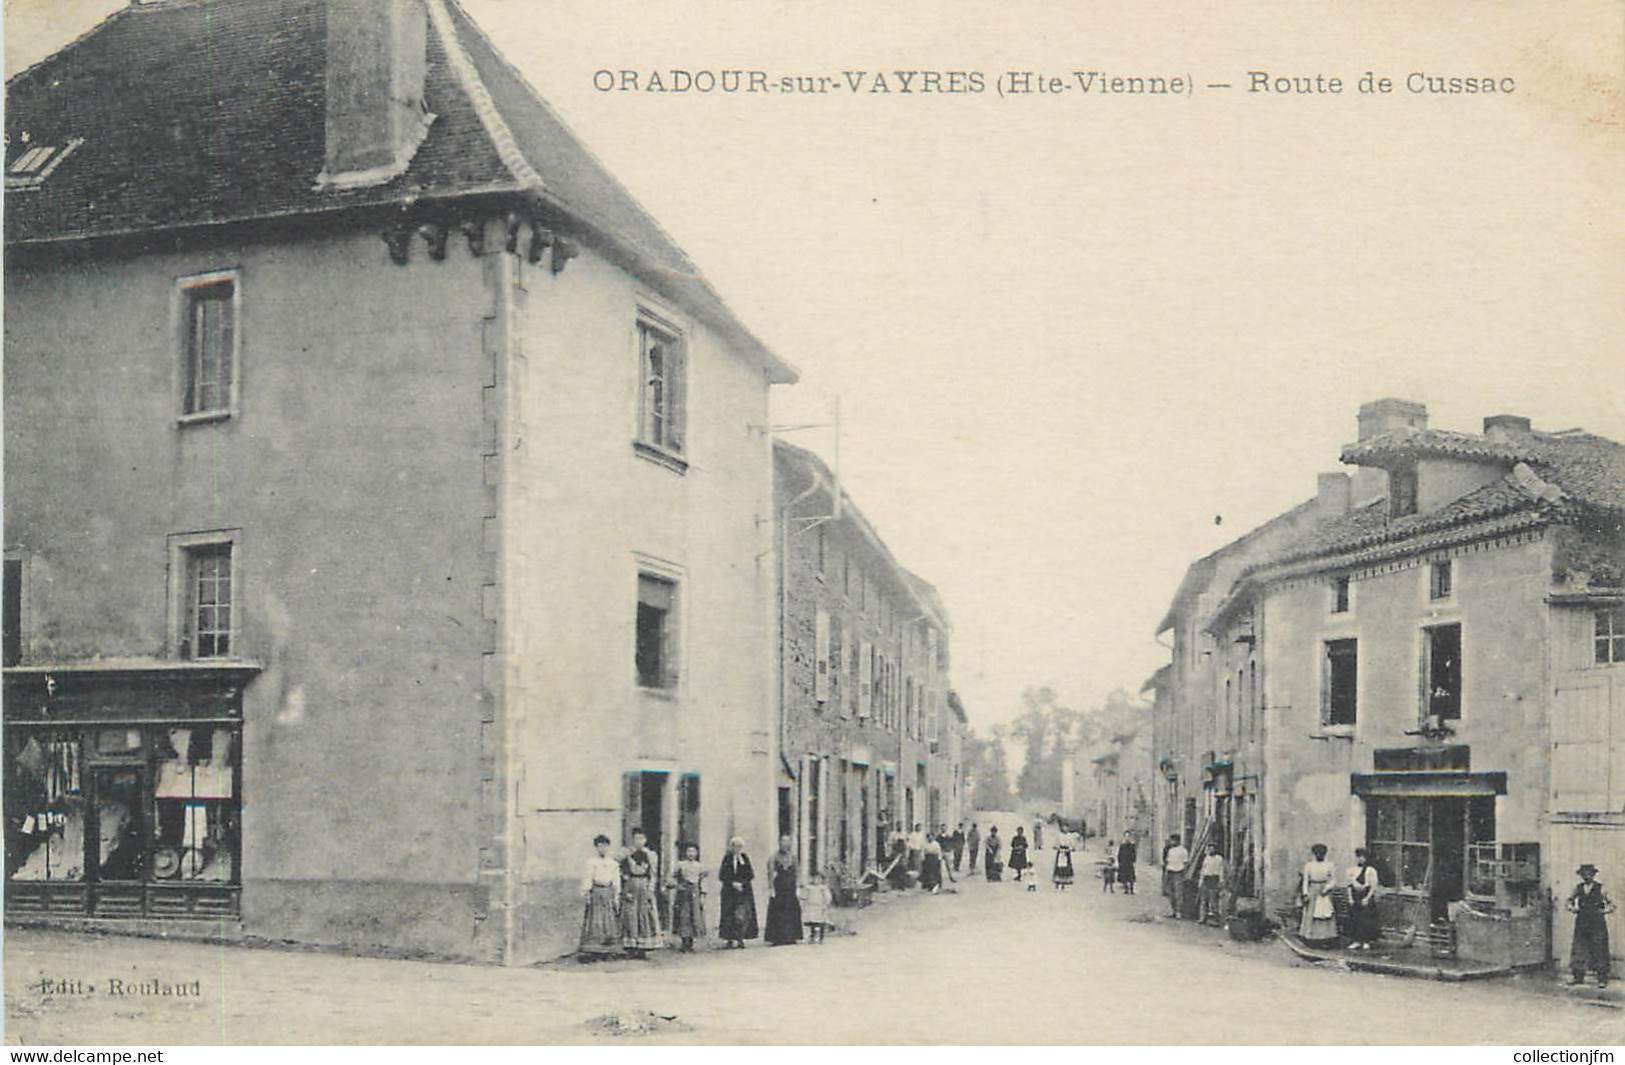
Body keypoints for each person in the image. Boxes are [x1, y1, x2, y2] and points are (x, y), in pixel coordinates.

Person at [1568, 863, 1616, 988]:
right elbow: (1569, 901)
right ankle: (1578, 977)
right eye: (1584, 874)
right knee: (1579, 948)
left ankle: (1602, 979)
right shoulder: (1578, 888)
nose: (1587, 876)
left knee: (1599, 948)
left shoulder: (1601, 888)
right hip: (1582, 922)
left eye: (1589, 873)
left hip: (1597, 922)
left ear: (1593, 874)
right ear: (1581, 875)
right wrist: (1572, 908)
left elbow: (1612, 905)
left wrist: (1604, 911)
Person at [619, 828, 662, 958]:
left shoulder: (651, 855)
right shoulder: (626, 852)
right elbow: (616, 865)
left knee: (644, 915)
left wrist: (650, 889)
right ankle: (631, 947)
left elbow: (654, 874)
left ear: (645, 840)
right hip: (631, 885)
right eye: (636, 838)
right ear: (633, 839)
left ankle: (643, 948)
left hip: (644, 885)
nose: (639, 841)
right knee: (630, 914)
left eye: (642, 839)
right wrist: (624, 880)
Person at [578, 833, 622, 960]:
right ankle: (594, 950)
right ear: (596, 847)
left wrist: (616, 895)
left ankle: (608, 950)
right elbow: (588, 878)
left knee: (609, 921)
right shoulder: (591, 862)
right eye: (600, 846)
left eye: (605, 846)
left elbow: (616, 880)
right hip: (596, 892)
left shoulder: (613, 864)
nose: (602, 848)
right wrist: (586, 893)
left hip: (608, 892)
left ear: (608, 847)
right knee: (596, 921)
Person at [718, 836, 759, 948]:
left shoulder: (744, 858)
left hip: (743, 891)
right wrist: (732, 883)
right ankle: (729, 939)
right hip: (729, 891)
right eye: (735, 846)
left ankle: (740, 938)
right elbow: (722, 874)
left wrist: (741, 883)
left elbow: (750, 874)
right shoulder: (727, 858)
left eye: (739, 846)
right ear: (731, 847)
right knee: (729, 915)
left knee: (742, 916)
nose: (737, 849)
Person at [668, 842, 707, 953]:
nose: (691, 854)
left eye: (693, 851)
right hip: (683, 893)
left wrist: (703, 894)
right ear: (685, 853)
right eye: (689, 851)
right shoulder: (680, 865)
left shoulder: (699, 866)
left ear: (697, 853)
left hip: (695, 893)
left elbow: (703, 881)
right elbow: (671, 877)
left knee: (694, 916)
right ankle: (684, 941)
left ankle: (691, 942)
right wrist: (676, 885)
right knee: (683, 916)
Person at [764, 835, 803, 945]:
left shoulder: (793, 858)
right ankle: (777, 938)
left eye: (787, 842)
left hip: (790, 888)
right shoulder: (774, 857)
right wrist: (771, 887)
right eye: (783, 842)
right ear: (779, 843)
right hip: (779, 888)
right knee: (777, 912)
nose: (785, 844)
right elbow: (770, 873)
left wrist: (798, 887)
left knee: (791, 911)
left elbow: (797, 872)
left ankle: (791, 936)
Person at [1299, 843, 1338, 945]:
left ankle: (1326, 937)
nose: (1320, 855)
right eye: (1318, 853)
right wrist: (1305, 893)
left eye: (1322, 853)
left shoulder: (1329, 865)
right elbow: (1305, 880)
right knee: (1312, 912)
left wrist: (1327, 888)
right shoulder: (1309, 865)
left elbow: (1333, 880)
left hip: (1324, 891)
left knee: (1325, 913)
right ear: (1314, 854)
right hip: (1313, 890)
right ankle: (1311, 937)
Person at [1346, 848, 1381, 951]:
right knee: (1355, 919)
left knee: (1366, 920)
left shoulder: (1370, 870)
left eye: (1363, 857)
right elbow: (1349, 886)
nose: (1360, 859)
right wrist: (1350, 898)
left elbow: (1373, 886)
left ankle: (1366, 941)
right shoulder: (1352, 870)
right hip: (1355, 896)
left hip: (1365, 896)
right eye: (1358, 857)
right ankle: (1356, 941)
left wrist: (1367, 898)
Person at [1198, 843, 1226, 926]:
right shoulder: (1206, 859)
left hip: (1214, 879)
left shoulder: (1219, 859)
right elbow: (1203, 870)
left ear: (1215, 850)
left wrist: (1221, 880)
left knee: (1213, 900)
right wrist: (1201, 881)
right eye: (1209, 849)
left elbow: (1221, 870)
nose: (1210, 850)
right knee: (1204, 900)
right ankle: (1202, 918)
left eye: (1212, 849)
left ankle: (1215, 920)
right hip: (1206, 879)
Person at [801, 871, 833, 944]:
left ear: (821, 880)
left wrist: (826, 904)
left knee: (821, 922)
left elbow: (828, 897)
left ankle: (821, 938)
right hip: (811, 906)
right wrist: (805, 900)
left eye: (818, 879)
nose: (816, 881)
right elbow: (804, 896)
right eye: (814, 879)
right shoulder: (809, 887)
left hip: (820, 906)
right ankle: (812, 936)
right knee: (812, 922)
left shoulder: (823, 888)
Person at [1163, 834, 1190, 918]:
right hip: (1170, 872)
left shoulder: (1183, 850)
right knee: (1171, 893)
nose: (1172, 842)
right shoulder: (1170, 850)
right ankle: (1173, 910)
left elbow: (1185, 863)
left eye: (1173, 840)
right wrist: (1166, 874)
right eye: (1171, 840)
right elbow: (1168, 862)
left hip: (1179, 872)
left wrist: (1184, 874)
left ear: (1178, 841)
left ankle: (1179, 912)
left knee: (1179, 893)